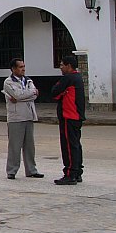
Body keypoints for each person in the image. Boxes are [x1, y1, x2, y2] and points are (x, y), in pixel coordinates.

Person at [2, 58, 44, 180]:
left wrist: (24, 96)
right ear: (13, 69)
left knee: (30, 146)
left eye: (24, 66)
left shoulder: (28, 80)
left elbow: (33, 96)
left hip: (29, 115)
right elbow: (17, 95)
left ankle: (31, 170)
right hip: (16, 117)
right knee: (15, 146)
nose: (23, 69)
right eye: (20, 67)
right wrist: (29, 94)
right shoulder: (8, 82)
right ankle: (12, 170)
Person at [51, 54, 85, 185]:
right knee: (76, 144)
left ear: (68, 66)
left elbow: (54, 92)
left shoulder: (68, 78)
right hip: (76, 116)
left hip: (69, 116)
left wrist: (61, 94)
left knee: (69, 145)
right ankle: (77, 172)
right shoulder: (77, 77)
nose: (60, 67)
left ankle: (70, 173)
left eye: (61, 65)